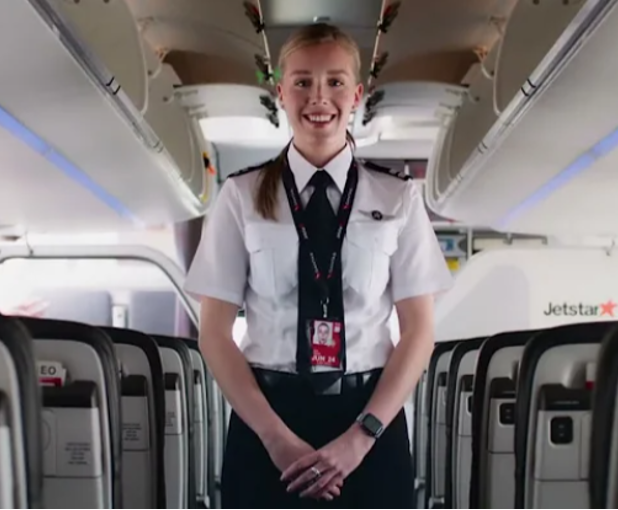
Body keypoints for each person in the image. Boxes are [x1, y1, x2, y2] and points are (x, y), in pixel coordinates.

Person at [184, 22, 453, 509]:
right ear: (281, 93)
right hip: (267, 414)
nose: (318, 97)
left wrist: (362, 437)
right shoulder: (241, 197)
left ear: (356, 95)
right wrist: (275, 439)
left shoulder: (397, 197)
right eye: (303, 81)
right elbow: (214, 335)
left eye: (334, 81)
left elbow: (419, 333)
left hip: (370, 418)